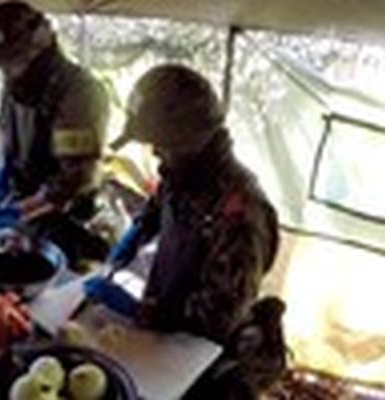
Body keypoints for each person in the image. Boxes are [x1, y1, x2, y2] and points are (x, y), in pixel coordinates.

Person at [84, 64, 286, 397]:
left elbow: (219, 316)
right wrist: (136, 234)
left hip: (205, 362)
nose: (155, 154)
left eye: (160, 145)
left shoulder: (241, 211)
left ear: (189, 140)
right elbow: (160, 204)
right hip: (164, 337)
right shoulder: (183, 172)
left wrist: (140, 309)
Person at [0, 1, 110, 264]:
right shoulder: (16, 84)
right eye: (1, 65)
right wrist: (0, 177)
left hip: (66, 216)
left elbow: (75, 177)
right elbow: (10, 142)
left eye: (12, 61)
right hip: (29, 204)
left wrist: (22, 211)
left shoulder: (79, 94)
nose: (6, 72)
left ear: (39, 48)